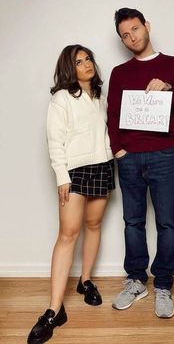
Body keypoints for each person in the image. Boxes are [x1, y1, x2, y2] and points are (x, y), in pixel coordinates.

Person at [107, 8, 174, 318]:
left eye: (135, 29)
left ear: (147, 25)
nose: (132, 37)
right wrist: (118, 150)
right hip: (129, 158)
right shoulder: (120, 73)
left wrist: (168, 89)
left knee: (167, 222)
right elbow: (113, 116)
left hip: (164, 156)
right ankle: (136, 280)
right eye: (125, 35)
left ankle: (163, 285)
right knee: (132, 222)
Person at [27, 44, 114, 344]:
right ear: (69, 67)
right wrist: (62, 176)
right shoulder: (61, 98)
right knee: (67, 234)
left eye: (88, 58)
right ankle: (54, 309)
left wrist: (117, 150)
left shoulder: (101, 97)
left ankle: (85, 280)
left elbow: (107, 133)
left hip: (102, 166)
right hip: (75, 172)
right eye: (79, 61)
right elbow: (55, 139)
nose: (87, 64)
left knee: (94, 225)